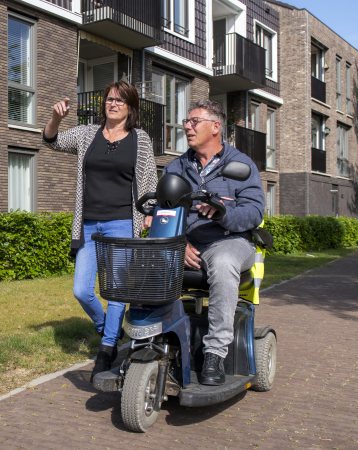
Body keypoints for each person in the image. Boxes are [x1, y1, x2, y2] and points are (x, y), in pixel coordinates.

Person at [42, 80, 157, 380]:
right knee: (81, 289)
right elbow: (51, 141)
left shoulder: (140, 139)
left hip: (122, 222)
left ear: (130, 107)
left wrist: (149, 213)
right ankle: (109, 328)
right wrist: (56, 118)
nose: (113, 104)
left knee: (117, 289)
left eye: (120, 100)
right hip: (89, 223)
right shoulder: (86, 134)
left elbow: (149, 180)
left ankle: (106, 348)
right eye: (109, 99)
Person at [163, 99, 264, 386]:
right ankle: (152, 340)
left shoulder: (241, 165)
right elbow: (165, 211)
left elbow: (255, 213)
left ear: (215, 126)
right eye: (186, 121)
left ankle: (214, 353)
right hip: (187, 243)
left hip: (230, 241)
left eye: (194, 121)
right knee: (146, 257)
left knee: (221, 262)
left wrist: (224, 213)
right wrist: (179, 243)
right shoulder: (177, 166)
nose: (186, 126)